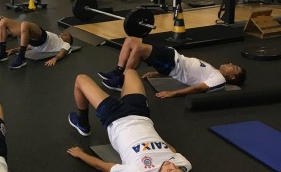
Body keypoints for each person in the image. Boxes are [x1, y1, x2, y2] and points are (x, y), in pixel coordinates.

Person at [66, 69, 193, 172]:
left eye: (169, 170)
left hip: (114, 116)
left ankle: (83, 124)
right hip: (140, 113)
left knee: (80, 79)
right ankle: (121, 91)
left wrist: (80, 154)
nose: (171, 164)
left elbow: (102, 166)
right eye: (177, 168)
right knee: (130, 72)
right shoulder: (184, 164)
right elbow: (171, 150)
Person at [97, 36, 246, 97]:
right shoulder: (213, 70)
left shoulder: (219, 79)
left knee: (138, 50)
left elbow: (199, 88)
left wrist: (172, 93)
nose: (232, 64)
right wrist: (157, 74)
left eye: (235, 67)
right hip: (171, 56)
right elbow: (190, 75)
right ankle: (118, 72)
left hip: (171, 63)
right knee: (130, 40)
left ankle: (122, 80)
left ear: (232, 76)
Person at [0, 17, 73, 69]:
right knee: (3, 22)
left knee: (25, 24)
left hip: (43, 38)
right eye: (62, 33)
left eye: (65, 35)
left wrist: (55, 59)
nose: (62, 34)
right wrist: (14, 50)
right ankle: (2, 53)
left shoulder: (66, 44)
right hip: (34, 41)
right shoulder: (57, 38)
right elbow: (29, 46)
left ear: (68, 40)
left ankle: (21, 59)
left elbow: (62, 52)